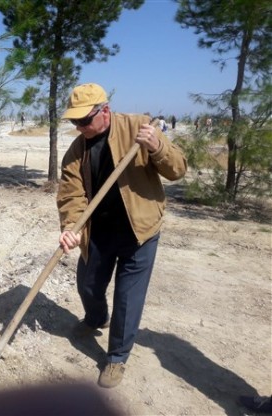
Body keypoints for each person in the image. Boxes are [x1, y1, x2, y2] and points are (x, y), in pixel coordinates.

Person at [57, 83, 187, 388]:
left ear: (105, 111)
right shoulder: (77, 151)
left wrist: (157, 147)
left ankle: (116, 357)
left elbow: (177, 169)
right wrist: (71, 226)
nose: (80, 127)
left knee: (128, 299)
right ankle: (96, 317)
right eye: (74, 122)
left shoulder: (139, 129)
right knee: (88, 285)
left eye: (85, 121)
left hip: (140, 231)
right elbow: (71, 195)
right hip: (99, 231)